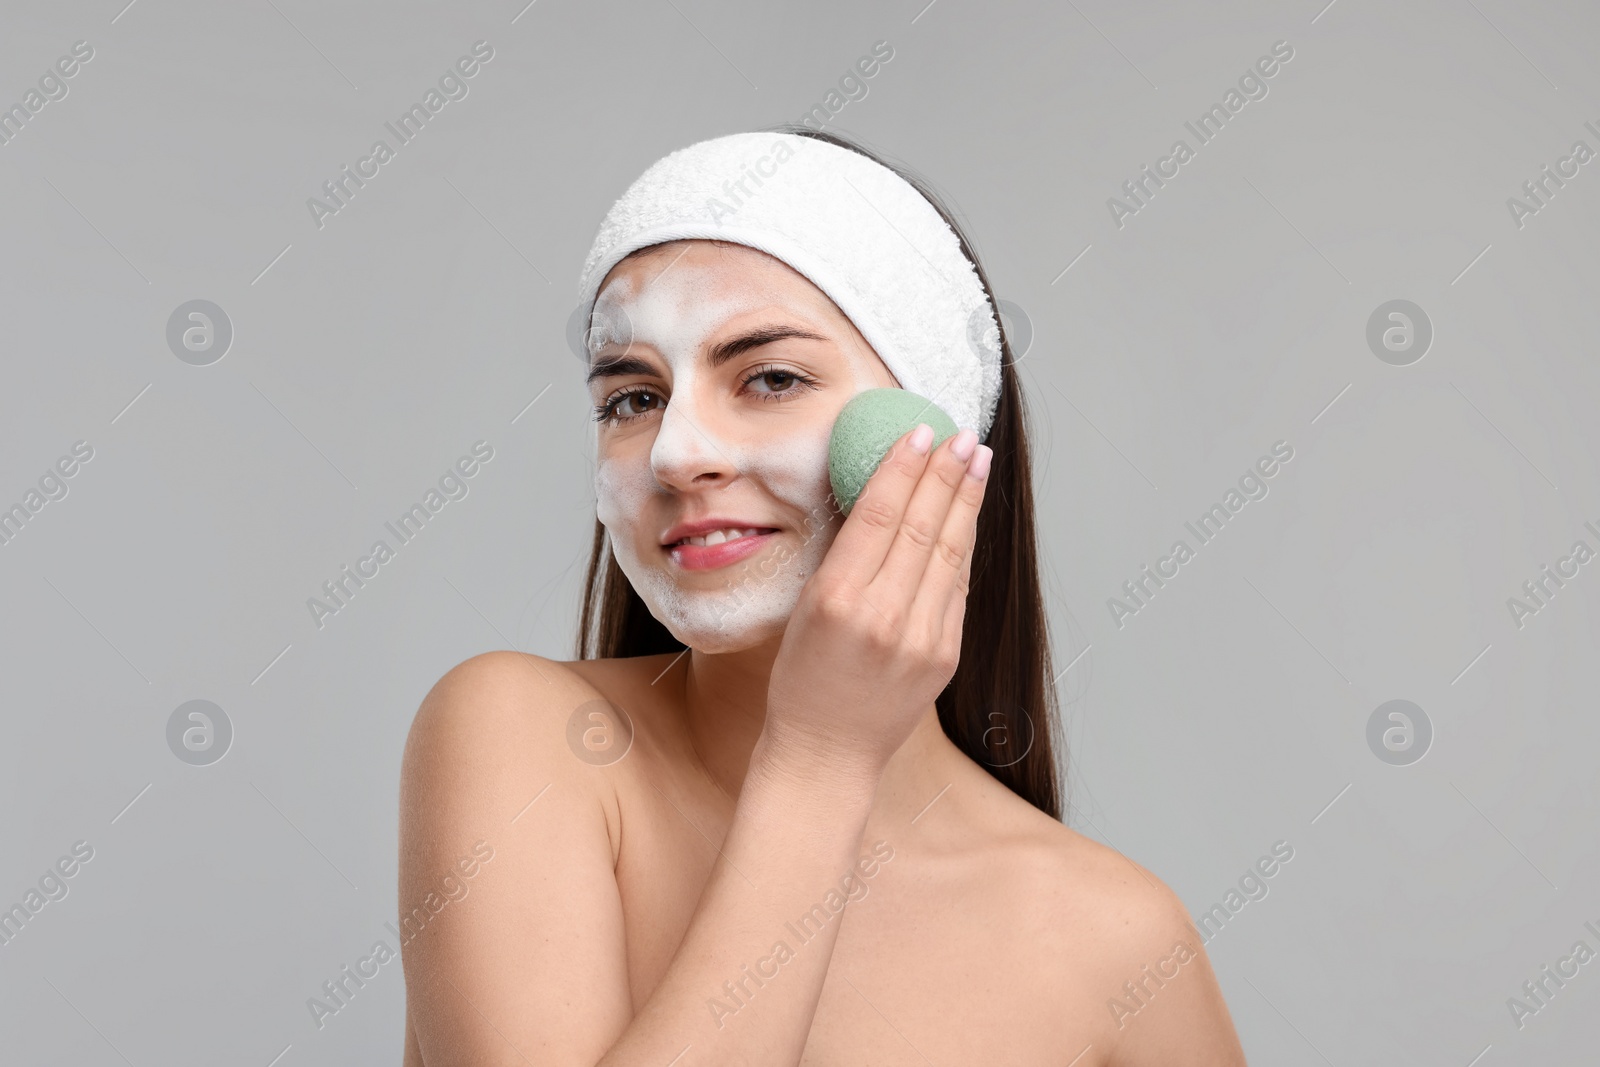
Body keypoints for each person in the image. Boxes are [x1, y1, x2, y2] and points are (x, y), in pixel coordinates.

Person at [398, 126, 1246, 1065]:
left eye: (769, 377)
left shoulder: (1120, 942)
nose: (679, 453)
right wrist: (818, 762)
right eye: (632, 398)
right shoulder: (519, 736)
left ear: (936, 427)